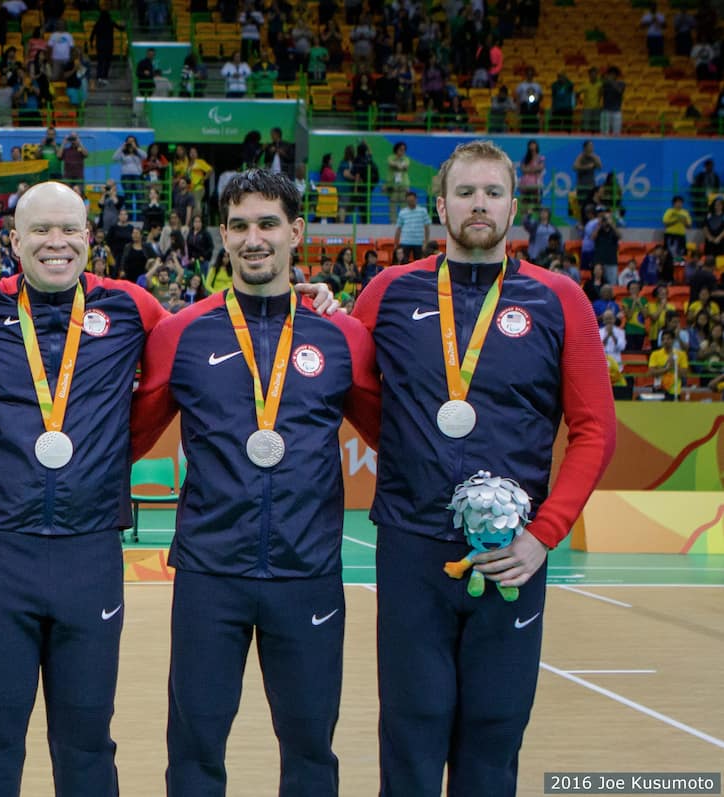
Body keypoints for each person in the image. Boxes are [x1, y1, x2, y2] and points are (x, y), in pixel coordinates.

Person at [0, 181, 338, 795]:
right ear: (13, 241)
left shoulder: (133, 309)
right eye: (40, 230)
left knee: (87, 737)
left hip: (91, 551)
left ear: (89, 238)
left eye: (69, 228)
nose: (56, 242)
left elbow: (211, 335)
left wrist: (309, 304)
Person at [350, 140, 616, 796]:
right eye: (464, 192)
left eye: (492, 192)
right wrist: (409, 446)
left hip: (512, 556)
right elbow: (349, 387)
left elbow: (596, 430)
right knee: (411, 733)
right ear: (439, 205)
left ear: (514, 206)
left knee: (494, 736)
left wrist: (540, 536)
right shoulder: (389, 292)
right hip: (412, 550)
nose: (478, 204)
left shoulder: (560, 301)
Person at [132, 169, 381, 796]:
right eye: (239, 225)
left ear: (296, 232)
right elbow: (128, 437)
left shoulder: (342, 334)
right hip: (210, 576)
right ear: (222, 234)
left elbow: (394, 437)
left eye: (268, 224)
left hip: (307, 575)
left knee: (310, 751)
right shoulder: (181, 333)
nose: (253, 239)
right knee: (194, 750)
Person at [393, 189, 432, 256]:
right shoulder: (402, 212)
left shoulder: (423, 211)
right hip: (405, 242)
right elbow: (398, 229)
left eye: (412, 200)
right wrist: (396, 244)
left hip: (419, 243)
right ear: (406, 201)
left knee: (419, 264)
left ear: (416, 199)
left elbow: (427, 228)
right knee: (404, 263)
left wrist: (426, 242)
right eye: (409, 201)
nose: (411, 202)